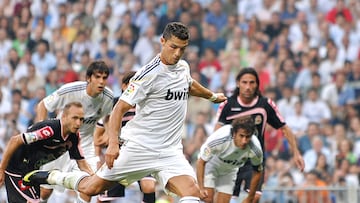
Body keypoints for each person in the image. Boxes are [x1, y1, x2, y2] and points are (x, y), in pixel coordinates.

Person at [23, 22, 227, 203]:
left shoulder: (183, 67)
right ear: (162, 41)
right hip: (138, 147)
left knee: (193, 195)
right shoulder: (147, 75)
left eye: (182, 49)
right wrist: (112, 144)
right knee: (91, 188)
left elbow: (189, 85)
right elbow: (119, 108)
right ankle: (53, 176)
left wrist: (211, 96)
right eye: (173, 47)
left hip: (170, 151)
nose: (177, 53)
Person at [214, 67, 305, 202]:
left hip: (254, 160)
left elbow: (285, 128)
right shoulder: (228, 104)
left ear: (257, 84)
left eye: (252, 83)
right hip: (231, 160)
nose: (248, 87)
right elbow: (217, 131)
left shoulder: (264, 105)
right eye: (244, 82)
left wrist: (296, 153)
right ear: (238, 83)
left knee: (255, 197)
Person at [35, 61, 114, 203]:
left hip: (85, 145)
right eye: (98, 77)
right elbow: (43, 105)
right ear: (89, 78)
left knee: (89, 186)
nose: (101, 82)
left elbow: (109, 117)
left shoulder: (108, 97)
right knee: (46, 191)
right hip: (60, 143)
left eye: (104, 78)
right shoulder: (71, 91)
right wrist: (43, 135)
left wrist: (108, 132)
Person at [0, 102, 93, 203]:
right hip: (16, 168)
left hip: (31, 170)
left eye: (81, 119)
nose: (78, 123)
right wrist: (1, 169)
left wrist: (95, 179)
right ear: (64, 117)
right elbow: (15, 140)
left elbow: (82, 163)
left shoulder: (74, 137)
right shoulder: (50, 130)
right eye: (74, 118)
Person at [94, 71, 156, 203]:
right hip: (118, 156)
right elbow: (98, 135)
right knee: (106, 197)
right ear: (123, 86)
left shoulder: (145, 104)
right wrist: (98, 158)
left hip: (141, 153)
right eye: (133, 84)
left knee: (149, 187)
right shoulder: (114, 104)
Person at [196, 116, 263, 203]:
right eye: (241, 136)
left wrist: (250, 197)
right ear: (234, 133)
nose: (244, 141)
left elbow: (258, 171)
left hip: (230, 170)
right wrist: (201, 188)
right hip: (211, 165)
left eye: (248, 137)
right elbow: (201, 162)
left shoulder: (255, 148)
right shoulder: (220, 139)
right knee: (208, 199)